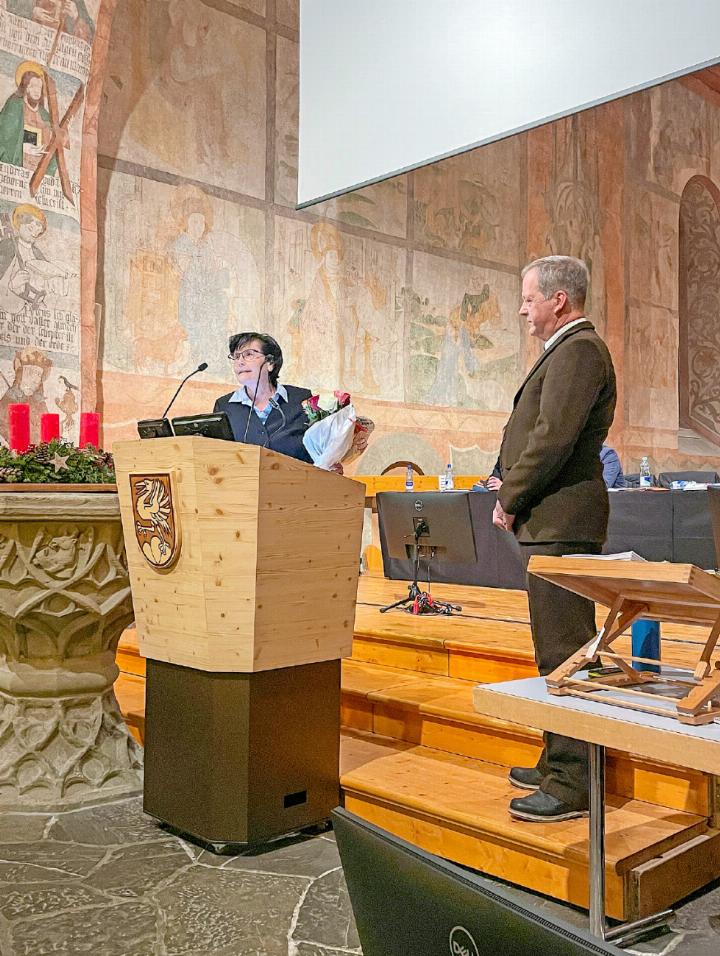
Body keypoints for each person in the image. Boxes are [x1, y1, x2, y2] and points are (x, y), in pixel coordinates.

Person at [493, 255, 617, 823]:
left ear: (558, 299)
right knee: (552, 649)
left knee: (565, 651)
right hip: (551, 520)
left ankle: (573, 783)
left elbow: (553, 437)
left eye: (528, 298)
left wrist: (510, 494)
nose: (522, 308)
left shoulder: (581, 350)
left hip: (561, 520)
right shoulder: (568, 350)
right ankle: (556, 758)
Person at [214, 332, 315, 464]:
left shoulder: (301, 399)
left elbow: (319, 450)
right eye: (236, 356)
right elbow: (217, 458)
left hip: (296, 482)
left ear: (270, 363)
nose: (240, 362)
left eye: (249, 354)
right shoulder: (224, 406)